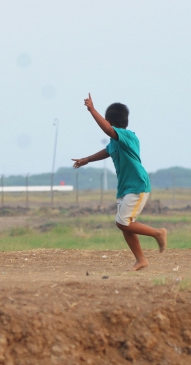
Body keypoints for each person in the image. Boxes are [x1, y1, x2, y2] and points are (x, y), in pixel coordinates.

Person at [72, 94, 167, 271]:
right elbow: (106, 151)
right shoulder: (114, 141)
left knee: (122, 222)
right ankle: (141, 260)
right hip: (125, 188)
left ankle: (158, 233)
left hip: (137, 185)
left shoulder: (127, 136)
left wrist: (92, 110)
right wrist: (87, 159)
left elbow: (108, 130)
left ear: (109, 120)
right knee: (126, 225)